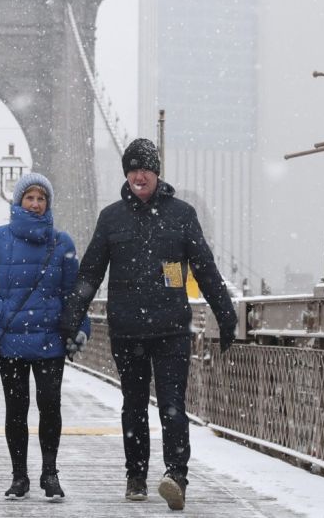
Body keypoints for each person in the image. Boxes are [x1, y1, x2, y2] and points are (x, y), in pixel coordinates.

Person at [58, 138, 237, 511]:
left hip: (171, 329)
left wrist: (225, 313)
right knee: (134, 406)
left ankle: (176, 476)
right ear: (127, 174)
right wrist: (71, 316)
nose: (139, 176)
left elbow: (204, 268)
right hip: (128, 330)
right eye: (133, 169)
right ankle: (136, 474)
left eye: (145, 169)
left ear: (157, 173)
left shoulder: (182, 215)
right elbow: (91, 272)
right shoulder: (111, 218)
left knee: (172, 405)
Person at [0, 172, 91, 500]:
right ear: (19, 201)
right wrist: (0, 309)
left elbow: (74, 293)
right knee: (16, 408)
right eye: (30, 197)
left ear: (47, 204)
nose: (36, 204)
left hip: (50, 339)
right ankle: (19, 476)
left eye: (41, 199)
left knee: (50, 406)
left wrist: (82, 328)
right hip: (11, 339)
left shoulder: (61, 242)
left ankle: (50, 473)